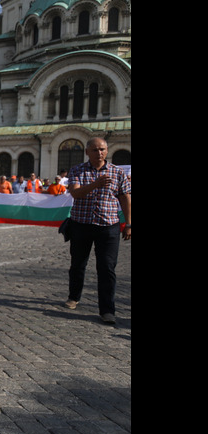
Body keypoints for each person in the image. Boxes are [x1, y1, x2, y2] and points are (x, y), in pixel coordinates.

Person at [64, 137, 131, 324]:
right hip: (81, 224)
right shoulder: (77, 170)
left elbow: (125, 197)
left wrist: (129, 223)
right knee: (78, 263)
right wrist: (96, 184)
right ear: (87, 152)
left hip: (108, 225)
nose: (99, 153)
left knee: (107, 268)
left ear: (107, 151)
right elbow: (75, 193)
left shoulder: (117, 172)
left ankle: (107, 310)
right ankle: (74, 296)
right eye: (94, 150)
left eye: (102, 149)